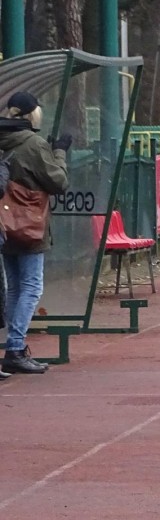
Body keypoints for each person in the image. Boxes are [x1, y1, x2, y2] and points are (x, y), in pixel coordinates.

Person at [0, 92, 69, 375]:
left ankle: (13, 345)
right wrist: (60, 152)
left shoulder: (3, 139)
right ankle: (15, 348)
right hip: (29, 223)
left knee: (14, 287)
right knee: (32, 286)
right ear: (31, 114)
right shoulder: (33, 143)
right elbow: (58, 182)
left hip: (5, 222)